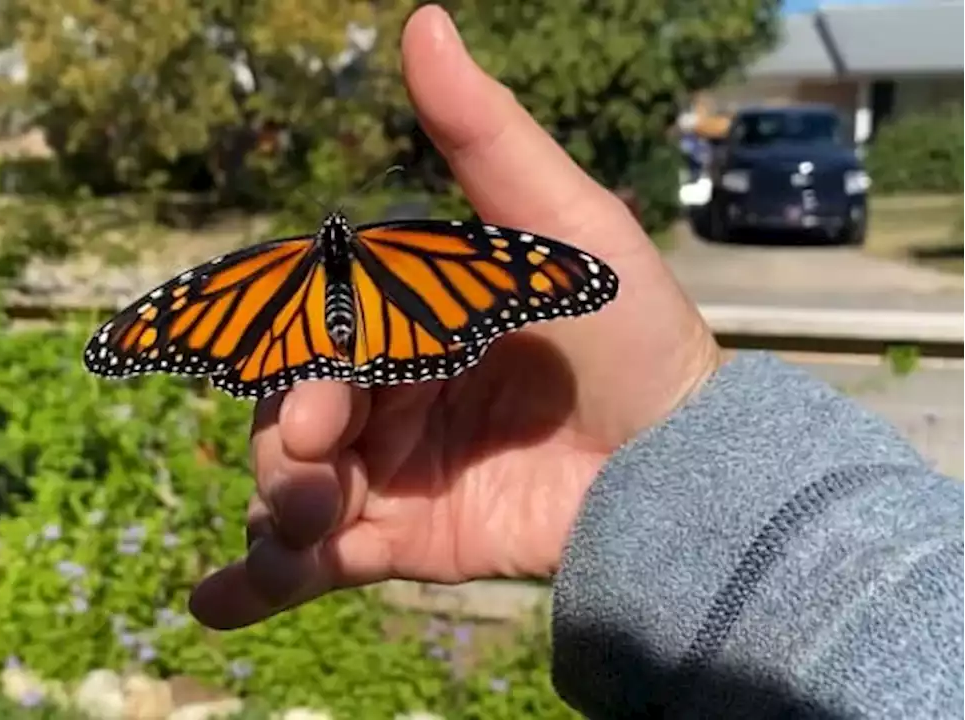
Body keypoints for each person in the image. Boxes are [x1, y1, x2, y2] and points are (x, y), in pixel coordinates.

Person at [189, 5, 965, 717]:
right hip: (398, 348)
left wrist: (677, 423)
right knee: (311, 423)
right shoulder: (406, 255)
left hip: (368, 347)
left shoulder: (317, 264)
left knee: (314, 414)